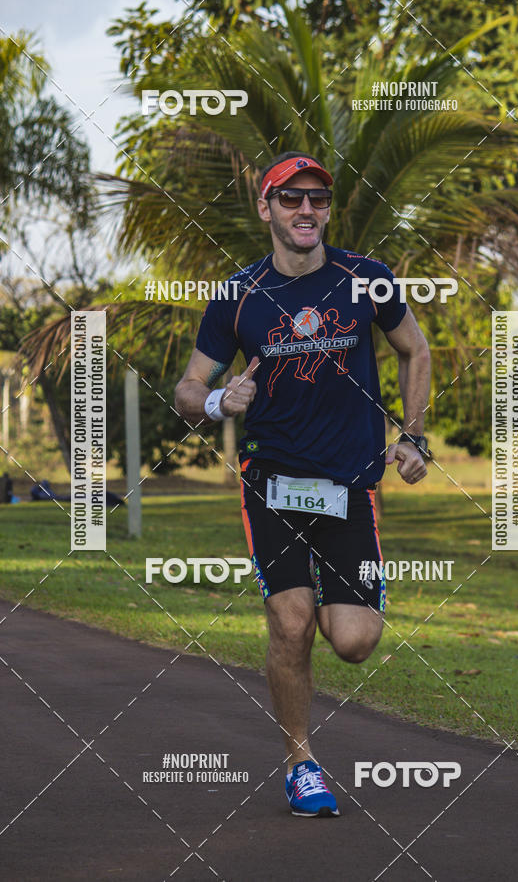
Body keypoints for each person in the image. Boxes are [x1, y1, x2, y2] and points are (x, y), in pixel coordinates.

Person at [175, 152, 431, 817]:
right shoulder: (237, 296)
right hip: (270, 480)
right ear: (266, 209)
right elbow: (187, 388)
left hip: (349, 481)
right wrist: (214, 404)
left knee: (351, 641)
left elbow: (416, 349)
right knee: (291, 626)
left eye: (317, 198)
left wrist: (413, 434)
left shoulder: (366, 279)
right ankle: (301, 762)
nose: (306, 211)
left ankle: (335, 597)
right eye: (291, 200)